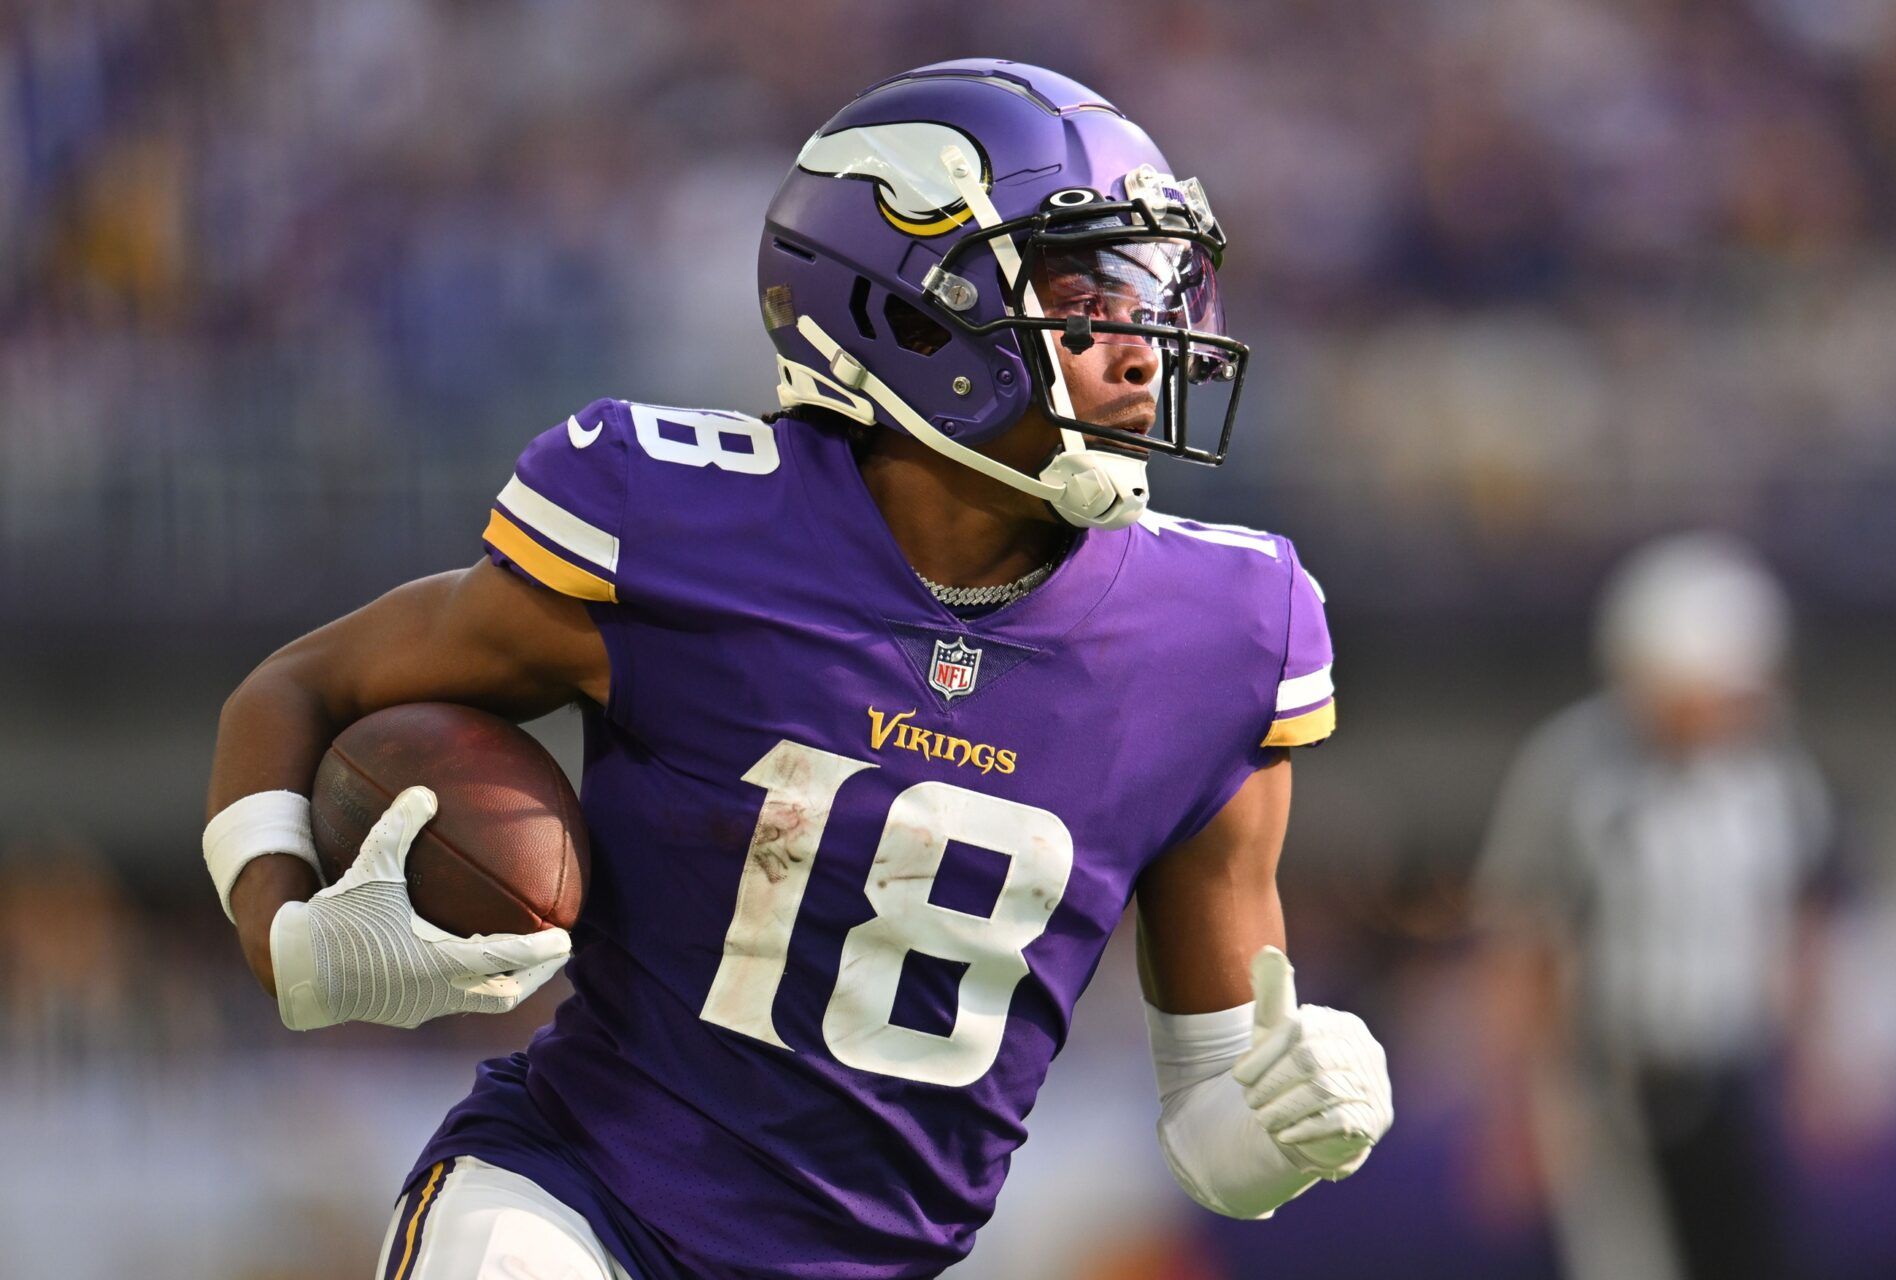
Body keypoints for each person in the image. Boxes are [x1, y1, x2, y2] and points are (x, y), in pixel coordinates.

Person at [202, 60, 1393, 1280]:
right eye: (1086, 291)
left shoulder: (1228, 631)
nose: (1145, 343)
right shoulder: (677, 524)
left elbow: (1214, 1143)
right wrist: (286, 935)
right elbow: (297, 686)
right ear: (911, 311)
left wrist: (1304, 1119)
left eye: (1160, 287)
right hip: (580, 1203)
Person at [1474, 532, 1837, 1280]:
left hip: (1738, 1080)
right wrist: (1517, 1106)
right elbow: (1522, 943)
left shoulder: (1774, 774)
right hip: (1613, 1091)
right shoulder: (1577, 769)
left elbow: (1801, 916)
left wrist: (1813, 1058)